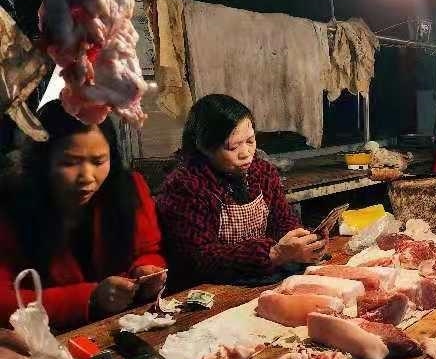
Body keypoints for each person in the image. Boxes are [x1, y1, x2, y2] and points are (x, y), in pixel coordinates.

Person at [0, 101, 167, 331]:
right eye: (70, 162)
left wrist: (144, 271)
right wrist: (89, 298)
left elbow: (148, 252)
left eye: (99, 161)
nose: (87, 177)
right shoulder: (11, 206)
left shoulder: (128, 189)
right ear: (43, 161)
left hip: (121, 327)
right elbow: (3, 301)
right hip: (48, 338)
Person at [157, 94, 326, 289]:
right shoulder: (185, 186)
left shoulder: (262, 172)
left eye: (251, 141)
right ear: (205, 147)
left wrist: (303, 242)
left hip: (262, 279)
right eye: (233, 146)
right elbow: (199, 258)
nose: (246, 153)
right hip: (208, 290)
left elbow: (283, 219)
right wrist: (274, 254)